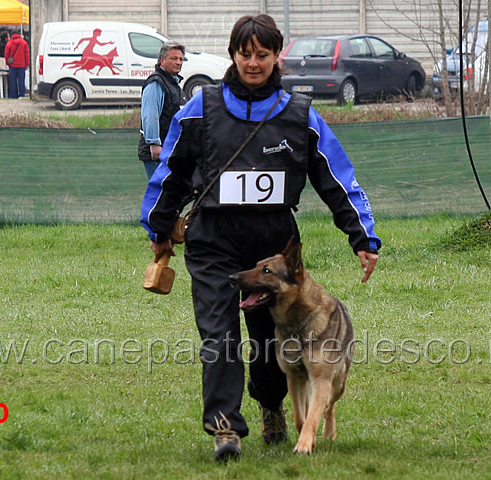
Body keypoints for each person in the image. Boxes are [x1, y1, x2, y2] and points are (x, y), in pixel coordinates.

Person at [140, 14, 380, 462]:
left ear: (276, 57)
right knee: (218, 334)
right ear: (233, 55)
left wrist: (362, 237)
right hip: (213, 239)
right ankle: (225, 428)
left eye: (262, 55)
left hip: (273, 246)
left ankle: (272, 405)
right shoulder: (200, 108)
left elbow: (336, 178)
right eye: (244, 53)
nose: (253, 62)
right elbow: (169, 172)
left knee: (271, 342)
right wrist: (159, 229)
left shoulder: (300, 113)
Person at [138, 41, 187, 179]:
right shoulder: (156, 83)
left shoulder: (174, 84)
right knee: (161, 194)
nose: (178, 62)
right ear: (162, 60)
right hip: (157, 151)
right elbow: (150, 115)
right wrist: (154, 143)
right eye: (173, 58)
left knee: (170, 195)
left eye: (180, 59)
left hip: (171, 150)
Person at [4, 32, 30, 99]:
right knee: (21, 81)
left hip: (12, 65)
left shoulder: (9, 43)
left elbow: (6, 54)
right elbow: (27, 54)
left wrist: (8, 63)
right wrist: (27, 64)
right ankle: (21, 94)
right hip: (22, 65)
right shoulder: (24, 43)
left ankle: (13, 96)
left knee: (12, 81)